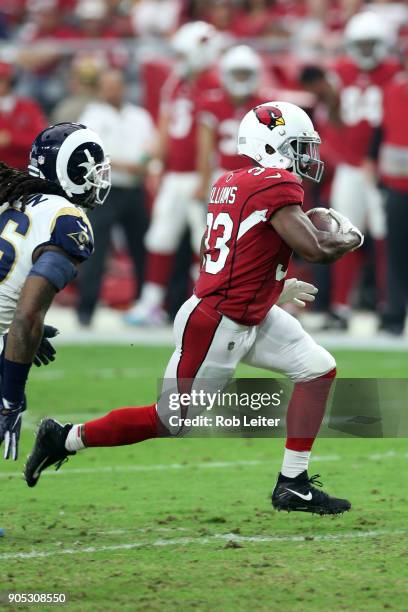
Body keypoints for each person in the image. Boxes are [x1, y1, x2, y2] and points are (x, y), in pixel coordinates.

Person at [26, 101, 364, 515]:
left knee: (318, 369)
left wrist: (273, 286)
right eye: (298, 146)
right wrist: (350, 238)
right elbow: (315, 248)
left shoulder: (231, 180)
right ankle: (64, 437)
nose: (306, 157)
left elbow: (225, 251)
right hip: (217, 323)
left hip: (247, 312)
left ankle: (292, 484)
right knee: (170, 421)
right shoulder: (275, 183)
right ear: (272, 145)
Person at [0, 122, 111, 461]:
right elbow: (28, 315)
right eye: (92, 171)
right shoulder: (67, 220)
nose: (99, 180)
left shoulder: (11, 197)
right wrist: (11, 400)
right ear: (70, 171)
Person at [124, 21, 220, 326]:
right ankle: (151, 302)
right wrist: (157, 163)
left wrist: (206, 179)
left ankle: (205, 301)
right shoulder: (177, 81)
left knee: (204, 242)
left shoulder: (214, 82)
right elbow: (166, 124)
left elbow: (210, 136)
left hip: (201, 174)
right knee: (160, 237)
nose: (181, 60)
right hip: (176, 174)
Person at [310, 11, 399, 330]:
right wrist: (336, 155)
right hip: (350, 168)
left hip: (382, 169)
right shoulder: (339, 73)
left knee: (387, 238)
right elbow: (326, 120)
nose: (364, 50)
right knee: (342, 235)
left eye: (370, 44)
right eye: (359, 44)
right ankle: (341, 306)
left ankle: (390, 306)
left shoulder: (394, 72)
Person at [76, 69, 156, 326]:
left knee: (141, 247)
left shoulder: (139, 116)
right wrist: (123, 165)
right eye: (108, 86)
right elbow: (89, 153)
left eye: (117, 85)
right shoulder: (93, 115)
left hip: (134, 188)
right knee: (95, 250)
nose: (113, 91)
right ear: (100, 89)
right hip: (104, 190)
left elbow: (151, 147)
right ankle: (86, 308)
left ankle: (144, 305)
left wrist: (144, 164)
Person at [367, 46, 408, 335]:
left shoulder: (392, 88)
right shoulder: (392, 90)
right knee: (395, 251)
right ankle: (393, 314)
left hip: (396, 184)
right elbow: (381, 129)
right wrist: (371, 160)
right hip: (396, 185)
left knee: (396, 251)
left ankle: (393, 315)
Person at [195, 45, 267, 201]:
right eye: (237, 74)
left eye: (245, 74)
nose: (241, 79)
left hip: (254, 177)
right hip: (223, 175)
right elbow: (205, 150)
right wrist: (203, 182)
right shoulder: (212, 104)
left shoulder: (265, 106)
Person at [0, 61, 47, 170]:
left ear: (10, 81)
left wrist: (11, 138)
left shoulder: (28, 107)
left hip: (24, 170)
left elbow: (41, 139)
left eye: (1, 79)